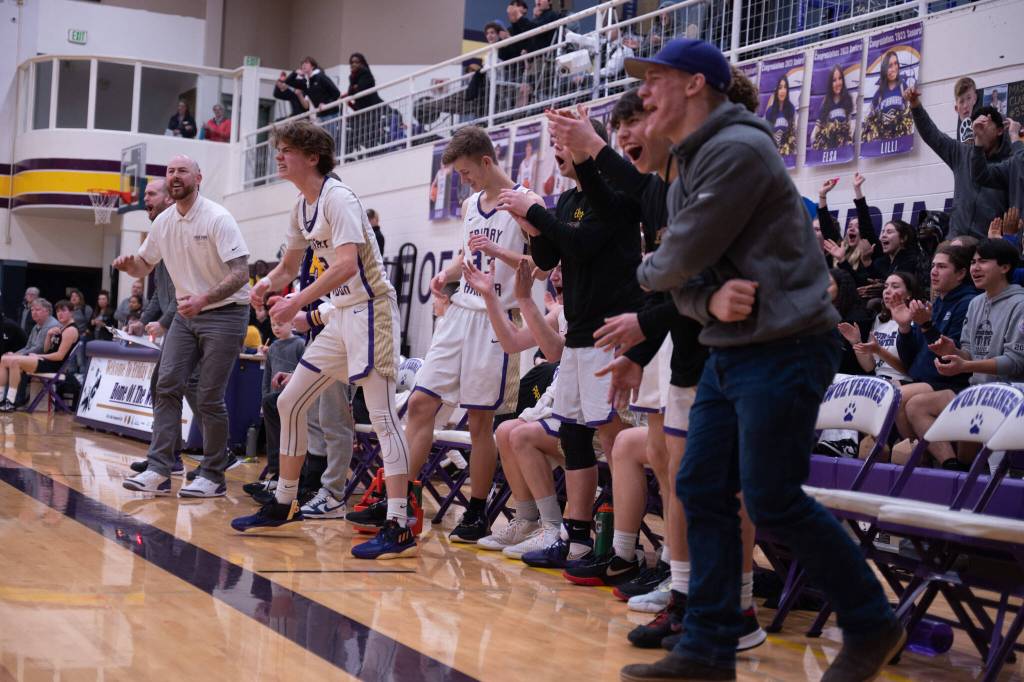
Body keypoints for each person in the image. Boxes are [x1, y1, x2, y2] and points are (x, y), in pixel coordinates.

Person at [618, 39, 904, 681]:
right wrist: (707, 297)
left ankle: (871, 620)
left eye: (656, 80)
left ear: (695, 85)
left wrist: (657, 273)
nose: (645, 94)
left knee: (770, 498)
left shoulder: (737, 149)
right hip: (732, 352)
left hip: (787, 345)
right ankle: (709, 645)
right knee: (699, 486)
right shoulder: (690, 163)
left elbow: (676, 258)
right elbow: (692, 286)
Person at [229, 121, 412, 561]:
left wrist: (295, 303)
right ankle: (283, 501)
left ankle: (400, 522)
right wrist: (266, 284)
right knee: (290, 402)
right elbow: (289, 266)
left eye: (286, 149)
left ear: (312, 156)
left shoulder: (339, 197)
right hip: (342, 316)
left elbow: (347, 265)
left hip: (372, 312)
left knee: (384, 417)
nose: (278, 156)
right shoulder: (301, 207)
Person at [499, 117, 645, 572]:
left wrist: (538, 213)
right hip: (579, 332)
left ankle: (624, 543)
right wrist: (529, 223)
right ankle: (577, 537)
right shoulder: (567, 198)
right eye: (554, 143)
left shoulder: (616, 196)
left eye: (563, 142)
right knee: (575, 433)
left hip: (609, 330)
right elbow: (550, 257)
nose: (557, 150)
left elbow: (582, 246)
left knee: (610, 434)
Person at [384, 126, 533, 544]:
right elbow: (466, 253)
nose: (464, 181)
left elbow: (540, 263)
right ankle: (403, 503)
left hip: (496, 318)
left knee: (480, 421)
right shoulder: (471, 204)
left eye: (467, 173)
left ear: (487, 162)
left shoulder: (525, 202)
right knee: (419, 403)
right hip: (458, 316)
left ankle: (478, 509)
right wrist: (446, 274)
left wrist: (499, 252)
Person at [115, 155, 250, 498]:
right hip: (187, 314)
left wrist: (204, 299)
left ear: (198, 178)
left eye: (182, 171)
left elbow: (240, 273)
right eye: (170, 171)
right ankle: (160, 468)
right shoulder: (162, 223)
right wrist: (130, 265)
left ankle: (214, 474)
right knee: (166, 384)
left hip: (226, 312)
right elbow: (143, 265)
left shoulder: (218, 217)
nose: (175, 177)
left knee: (207, 395)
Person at [465, 260, 567, 557]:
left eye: (563, 268)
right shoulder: (561, 312)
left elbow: (553, 352)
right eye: (555, 267)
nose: (555, 274)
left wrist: (524, 300)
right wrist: (490, 297)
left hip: (592, 410)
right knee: (506, 430)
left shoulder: (590, 306)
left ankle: (552, 527)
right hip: (563, 401)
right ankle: (526, 520)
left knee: (521, 436)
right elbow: (511, 341)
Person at [905, 238, 1024, 470]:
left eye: (983, 262)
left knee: (976, 462)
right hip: (976, 392)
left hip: (1010, 397)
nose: (975, 268)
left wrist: (965, 366)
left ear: (1005, 267)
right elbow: (968, 354)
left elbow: (1016, 363)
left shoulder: (1020, 304)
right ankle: (952, 469)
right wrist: (952, 352)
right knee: (917, 405)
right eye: (973, 262)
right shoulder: (977, 303)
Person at [894, 242, 979, 441]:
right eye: (933, 266)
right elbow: (909, 360)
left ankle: (922, 461)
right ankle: (917, 458)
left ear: (960, 274)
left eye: (942, 267)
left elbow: (950, 356)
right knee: (886, 394)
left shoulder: (968, 303)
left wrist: (926, 325)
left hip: (950, 382)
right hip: (924, 379)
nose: (934, 272)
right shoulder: (938, 302)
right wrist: (905, 328)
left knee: (896, 398)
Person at [907, 85, 1015, 239]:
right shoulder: (961, 152)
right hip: (955, 240)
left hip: (986, 245)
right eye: (976, 125)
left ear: (999, 130)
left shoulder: (1011, 162)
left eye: (985, 125)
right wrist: (915, 105)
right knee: (939, 260)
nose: (979, 130)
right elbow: (932, 135)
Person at [838, 272, 920, 383]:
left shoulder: (916, 319)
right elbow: (869, 367)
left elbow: (911, 370)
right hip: (879, 380)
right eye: (886, 286)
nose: (887, 291)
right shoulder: (879, 319)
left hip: (903, 382)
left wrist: (879, 350)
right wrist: (856, 342)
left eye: (895, 286)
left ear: (909, 294)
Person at [0, 299, 79, 412]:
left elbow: (60, 356)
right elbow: (47, 349)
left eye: (63, 311)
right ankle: (1, 398)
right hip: (46, 360)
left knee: (15, 361)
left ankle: (10, 401)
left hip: (55, 366)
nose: (60, 314)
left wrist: (39, 356)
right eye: (58, 311)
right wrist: (48, 335)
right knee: (3, 360)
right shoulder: (61, 328)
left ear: (71, 312)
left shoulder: (71, 330)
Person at [970, 111, 1024, 214]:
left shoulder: (1017, 155)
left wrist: (1014, 137)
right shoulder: (1011, 164)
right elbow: (981, 175)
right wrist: (979, 140)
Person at [864, 49, 910, 142]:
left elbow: (909, 111)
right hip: (883, 141)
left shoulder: (903, 86)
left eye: (895, 63)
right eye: (890, 66)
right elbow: (869, 117)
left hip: (901, 139)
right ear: (884, 70)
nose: (893, 69)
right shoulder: (879, 93)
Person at [345, 52, 384, 154]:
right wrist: (354, 87)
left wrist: (355, 87)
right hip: (362, 110)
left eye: (356, 62)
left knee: (371, 134)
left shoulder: (365, 73)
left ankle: (374, 153)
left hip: (372, 108)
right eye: (352, 62)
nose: (353, 64)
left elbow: (361, 88)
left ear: (361, 63)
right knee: (363, 135)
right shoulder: (352, 76)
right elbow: (350, 92)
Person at [810, 64, 855, 150]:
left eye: (840, 78)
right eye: (834, 80)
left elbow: (851, 127)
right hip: (829, 151)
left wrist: (847, 142)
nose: (838, 83)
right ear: (830, 84)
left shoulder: (848, 99)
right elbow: (816, 130)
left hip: (844, 150)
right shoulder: (825, 102)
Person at [763, 75, 796, 155]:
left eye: (785, 88)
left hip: (788, 154)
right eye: (780, 88)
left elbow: (793, 134)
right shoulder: (770, 111)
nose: (782, 91)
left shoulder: (791, 109)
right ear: (776, 90)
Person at [953, 76, 979, 143]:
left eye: (969, 98)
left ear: (975, 98)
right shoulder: (954, 146)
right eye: (961, 101)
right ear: (956, 108)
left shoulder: (984, 131)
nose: (965, 105)